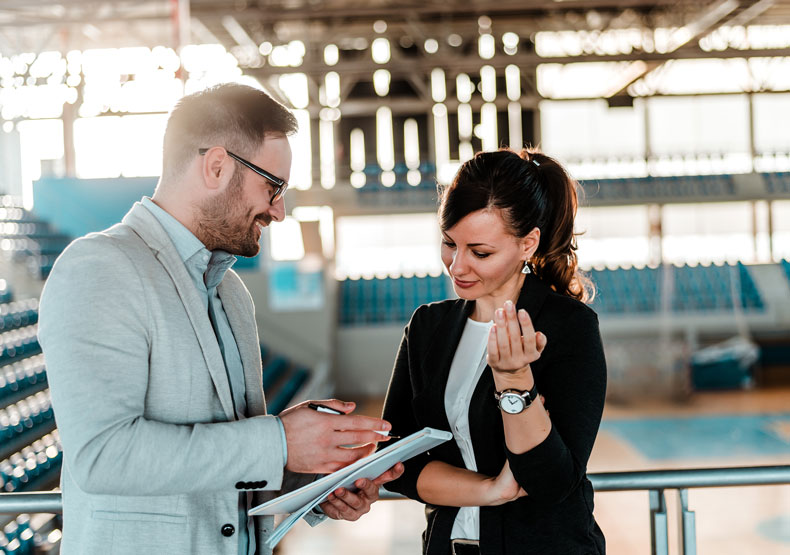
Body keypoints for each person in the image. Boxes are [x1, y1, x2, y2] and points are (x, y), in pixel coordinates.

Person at [37, 83, 403, 555]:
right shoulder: (100, 267)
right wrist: (279, 443)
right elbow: (104, 457)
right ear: (216, 166)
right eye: (273, 187)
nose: (279, 211)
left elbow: (226, 473)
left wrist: (312, 481)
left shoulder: (230, 291)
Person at [381, 148, 607, 554]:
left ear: (527, 244)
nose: (457, 266)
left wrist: (515, 383)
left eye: (480, 252)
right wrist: (489, 490)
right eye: (449, 243)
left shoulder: (567, 327)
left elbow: (551, 482)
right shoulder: (427, 327)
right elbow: (395, 462)